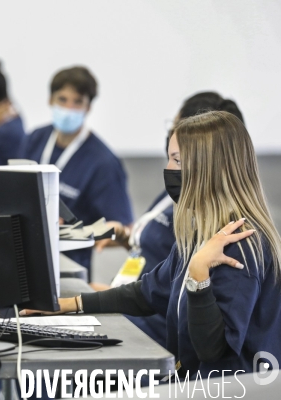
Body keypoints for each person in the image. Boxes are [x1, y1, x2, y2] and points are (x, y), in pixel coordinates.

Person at [24, 110, 281, 379]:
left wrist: (198, 275)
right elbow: (147, 293)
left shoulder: (239, 246)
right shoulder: (202, 234)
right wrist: (69, 304)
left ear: (208, 169)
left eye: (177, 160)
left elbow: (212, 350)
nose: (168, 169)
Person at [91, 92, 245, 348]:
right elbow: (157, 264)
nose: (171, 135)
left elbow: (211, 342)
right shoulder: (176, 192)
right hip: (136, 304)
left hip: (154, 327)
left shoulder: (212, 222)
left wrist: (106, 298)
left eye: (177, 126)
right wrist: (125, 237)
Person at [19, 66, 133, 273]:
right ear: (50, 100)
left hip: (68, 270)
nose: (69, 108)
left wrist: (76, 231)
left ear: (88, 107)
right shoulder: (35, 139)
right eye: (62, 99)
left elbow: (124, 230)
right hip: (22, 256)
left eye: (78, 102)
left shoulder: (103, 162)